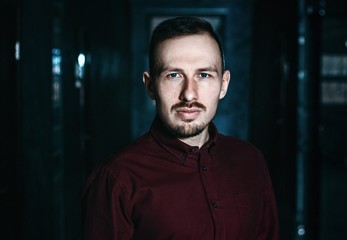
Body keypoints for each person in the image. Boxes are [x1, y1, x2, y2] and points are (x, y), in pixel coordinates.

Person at [82, 16, 279, 240]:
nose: (189, 94)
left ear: (223, 85)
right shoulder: (116, 179)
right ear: (150, 86)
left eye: (203, 75)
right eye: (173, 75)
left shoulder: (250, 161)